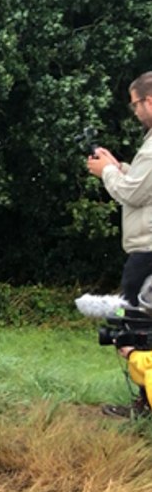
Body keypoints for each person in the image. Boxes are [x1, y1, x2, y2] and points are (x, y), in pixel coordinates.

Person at [87, 71, 152, 417]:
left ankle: (145, 405)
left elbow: (133, 193)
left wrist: (107, 173)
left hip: (148, 250)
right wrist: (119, 166)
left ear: (149, 101)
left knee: (137, 328)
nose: (135, 112)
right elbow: (143, 183)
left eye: (135, 105)